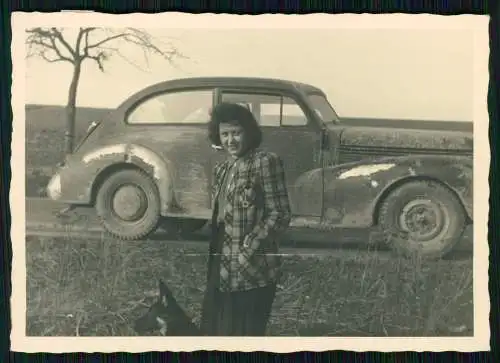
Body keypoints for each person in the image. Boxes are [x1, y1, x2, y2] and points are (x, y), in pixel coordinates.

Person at [200, 102, 292, 336]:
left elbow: (279, 213)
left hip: (253, 261)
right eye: (225, 134)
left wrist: (248, 249)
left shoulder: (265, 162)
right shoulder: (222, 168)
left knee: (244, 330)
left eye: (236, 133)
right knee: (218, 325)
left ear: (249, 133)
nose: (230, 140)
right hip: (221, 254)